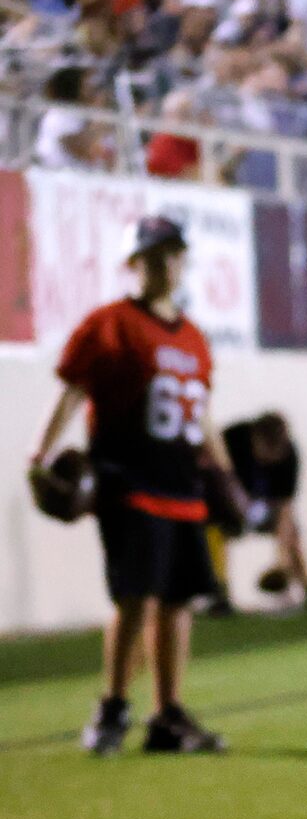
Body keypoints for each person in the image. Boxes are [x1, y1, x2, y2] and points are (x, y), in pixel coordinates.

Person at [26, 215, 247, 754]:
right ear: (135, 264)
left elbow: (204, 413)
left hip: (182, 483)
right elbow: (77, 390)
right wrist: (43, 450)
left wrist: (223, 473)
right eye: (155, 255)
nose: (167, 264)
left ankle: (167, 714)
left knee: (177, 602)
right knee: (135, 597)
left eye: (173, 254)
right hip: (129, 477)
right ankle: (113, 706)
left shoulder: (193, 336)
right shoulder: (112, 323)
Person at [207, 411, 307, 612]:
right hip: (226, 504)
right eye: (267, 450)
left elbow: (285, 506)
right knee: (216, 530)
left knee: (293, 532)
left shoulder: (289, 454)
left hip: (265, 507)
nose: (272, 457)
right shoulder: (231, 440)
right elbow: (216, 481)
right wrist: (237, 506)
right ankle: (220, 593)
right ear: (254, 436)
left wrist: (281, 560)